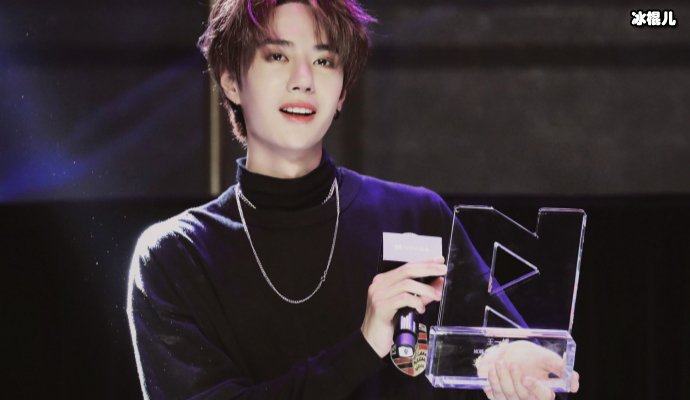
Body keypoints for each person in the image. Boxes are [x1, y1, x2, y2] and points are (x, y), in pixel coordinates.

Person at [126, 1, 579, 399]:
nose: (303, 80)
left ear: (342, 91)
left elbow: (507, 356)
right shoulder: (176, 255)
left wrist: (521, 372)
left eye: (324, 61)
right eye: (278, 55)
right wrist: (363, 347)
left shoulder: (416, 216)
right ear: (230, 81)